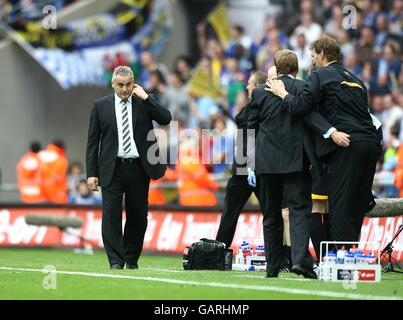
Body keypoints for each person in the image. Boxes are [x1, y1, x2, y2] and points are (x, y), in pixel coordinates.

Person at [266, 36, 379, 244]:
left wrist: (283, 93)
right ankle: (351, 257)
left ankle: (338, 262)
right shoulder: (357, 81)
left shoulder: (319, 76)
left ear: (321, 54)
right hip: (371, 144)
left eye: (312, 55)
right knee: (357, 206)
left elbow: (302, 108)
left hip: (346, 144)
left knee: (340, 206)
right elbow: (372, 119)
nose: (312, 60)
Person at [86, 66, 172, 270]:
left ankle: (131, 259)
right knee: (111, 215)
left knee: (138, 216)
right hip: (112, 168)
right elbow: (92, 142)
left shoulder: (142, 102)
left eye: (128, 85)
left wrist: (146, 97)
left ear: (134, 84)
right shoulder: (100, 106)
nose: (125, 89)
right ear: (113, 84)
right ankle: (116, 261)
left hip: (138, 167)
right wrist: (91, 173)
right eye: (120, 85)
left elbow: (166, 118)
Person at [247, 50, 320, 279]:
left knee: (270, 215)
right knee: (299, 211)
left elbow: (249, 126)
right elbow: (310, 121)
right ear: (296, 69)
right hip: (296, 161)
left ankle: (272, 267)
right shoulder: (303, 89)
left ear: (275, 69)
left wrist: (251, 162)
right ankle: (299, 261)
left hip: (266, 163)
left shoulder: (259, 93)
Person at [215, 71, 267, 249]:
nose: (247, 86)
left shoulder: (256, 106)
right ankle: (280, 255)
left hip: (247, 165)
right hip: (255, 165)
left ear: (258, 86)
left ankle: (220, 249)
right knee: (270, 213)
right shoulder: (261, 106)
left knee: (231, 211)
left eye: (250, 83)